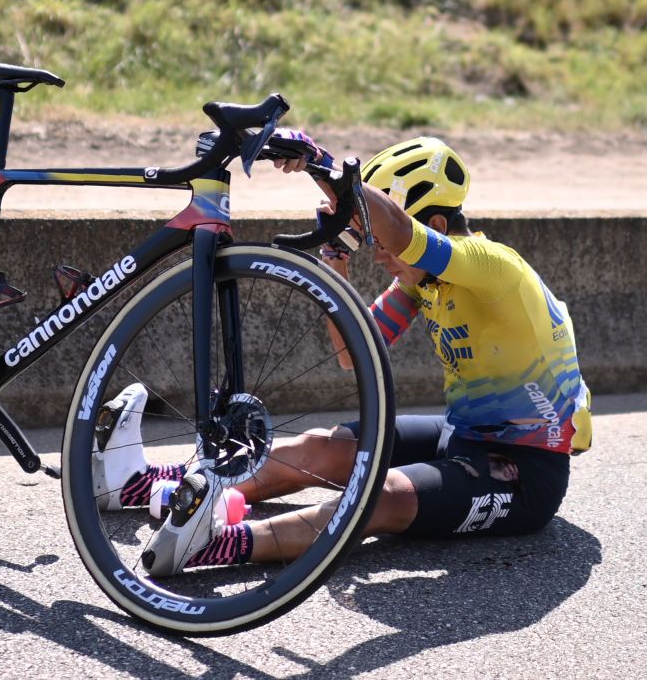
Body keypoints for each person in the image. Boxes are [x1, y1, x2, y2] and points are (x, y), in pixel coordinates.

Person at [93, 136, 593, 578]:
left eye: (380, 240)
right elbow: (352, 351)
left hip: (527, 469)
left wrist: (322, 163)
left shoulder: (492, 266)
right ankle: (139, 486)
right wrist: (337, 256)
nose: (380, 253)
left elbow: (399, 230)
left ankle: (217, 543)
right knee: (322, 446)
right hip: (461, 436)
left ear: (437, 224)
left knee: (380, 496)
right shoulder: (422, 286)